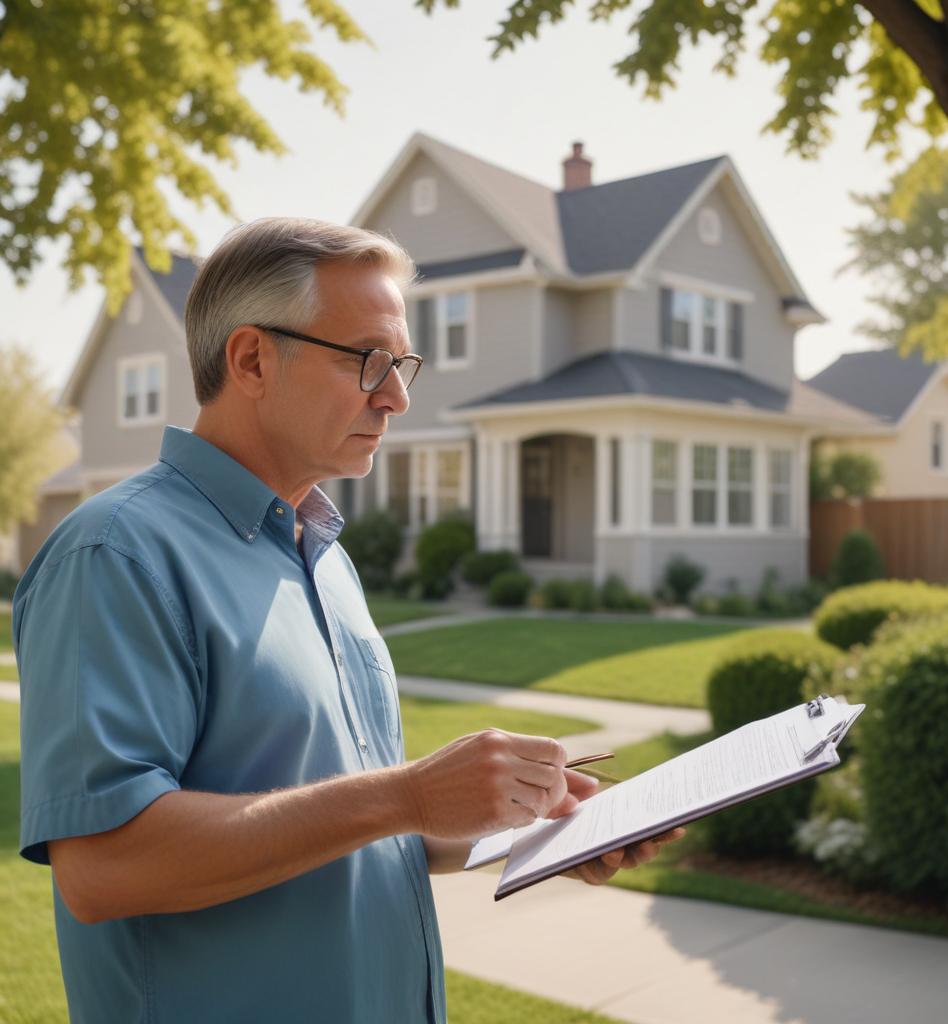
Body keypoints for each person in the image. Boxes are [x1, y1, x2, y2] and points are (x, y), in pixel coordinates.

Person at [14, 218, 683, 1023]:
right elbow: (104, 865)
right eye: (368, 360)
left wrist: (532, 831)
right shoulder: (116, 554)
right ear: (253, 359)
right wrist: (404, 796)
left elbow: (359, 827)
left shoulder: (325, 555)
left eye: (401, 365)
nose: (397, 395)